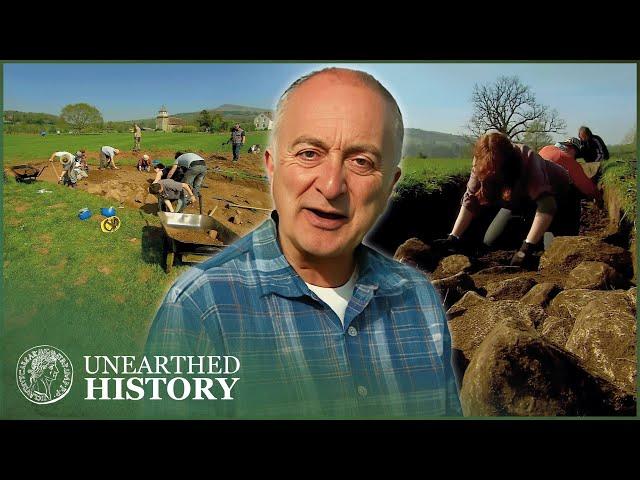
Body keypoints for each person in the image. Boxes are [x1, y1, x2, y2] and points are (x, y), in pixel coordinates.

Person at [145, 67, 462, 419]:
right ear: (272, 166)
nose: (331, 186)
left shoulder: (419, 298)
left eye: (361, 161)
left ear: (390, 185)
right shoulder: (198, 309)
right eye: (309, 153)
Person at [434, 132, 576, 268]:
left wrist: (526, 248)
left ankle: (535, 243)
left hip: (558, 195)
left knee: (556, 251)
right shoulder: (480, 163)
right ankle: (529, 236)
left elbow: (547, 206)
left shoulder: (527, 158)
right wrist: (454, 237)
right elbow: (470, 200)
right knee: (490, 241)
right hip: (521, 199)